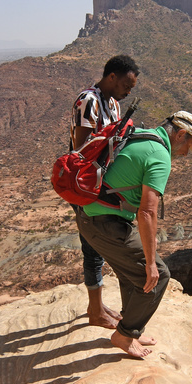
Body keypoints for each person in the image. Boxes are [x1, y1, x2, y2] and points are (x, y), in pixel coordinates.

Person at [75, 110, 192, 359]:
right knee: (158, 275)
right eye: (189, 145)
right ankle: (125, 334)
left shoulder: (143, 135)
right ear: (181, 134)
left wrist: (148, 245)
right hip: (105, 222)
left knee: (130, 271)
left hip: (91, 216)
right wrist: (152, 262)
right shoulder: (160, 155)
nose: (187, 153)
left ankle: (131, 327)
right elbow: (147, 212)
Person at [69, 55, 140, 329]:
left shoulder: (111, 103)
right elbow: (82, 147)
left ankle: (97, 305)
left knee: (98, 245)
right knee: (92, 246)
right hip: (86, 183)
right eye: (126, 84)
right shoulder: (89, 100)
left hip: (103, 183)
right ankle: (95, 310)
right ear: (112, 76)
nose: (128, 91)